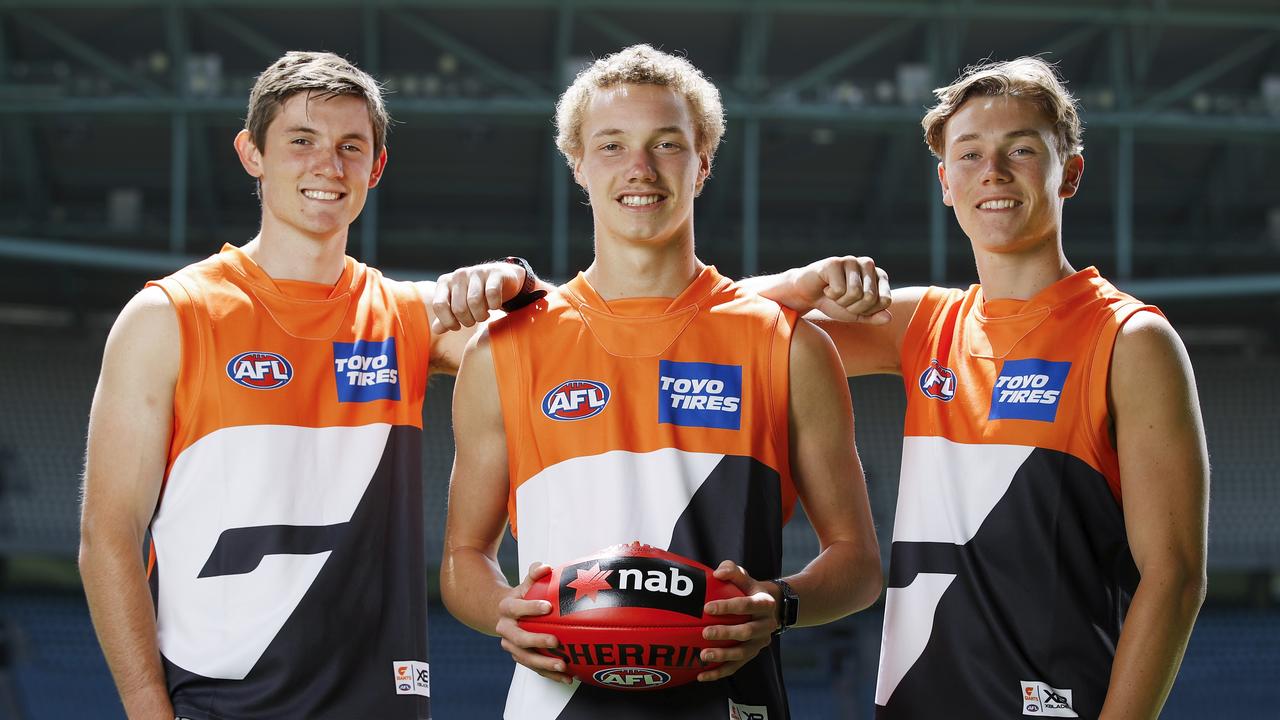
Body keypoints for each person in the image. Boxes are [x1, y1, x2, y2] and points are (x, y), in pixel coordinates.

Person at [76, 51, 541, 720]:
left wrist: (521, 282)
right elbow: (109, 534)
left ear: (376, 168)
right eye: (302, 140)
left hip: (380, 704)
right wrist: (149, 709)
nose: (329, 165)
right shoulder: (168, 317)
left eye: (352, 147)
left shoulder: (406, 317)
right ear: (252, 153)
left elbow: (560, 357)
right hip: (217, 701)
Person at [440, 44, 884, 720]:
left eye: (667, 144)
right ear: (578, 166)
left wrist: (779, 602)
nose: (639, 169)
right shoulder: (502, 350)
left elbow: (857, 565)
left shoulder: (789, 345)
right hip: (554, 704)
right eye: (612, 145)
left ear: (702, 164)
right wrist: (506, 610)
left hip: (735, 704)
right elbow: (462, 558)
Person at [761, 57, 1209, 718]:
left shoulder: (1130, 339)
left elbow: (1174, 579)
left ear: (1071, 174)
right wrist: (799, 283)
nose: (993, 173)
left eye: (1020, 150)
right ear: (946, 183)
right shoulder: (924, 324)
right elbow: (724, 331)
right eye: (969, 155)